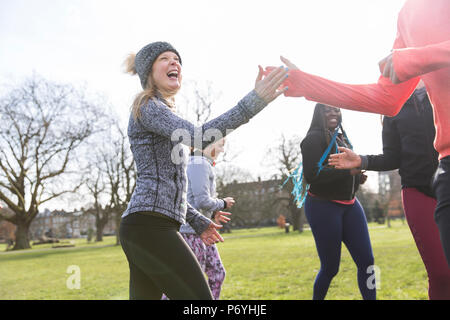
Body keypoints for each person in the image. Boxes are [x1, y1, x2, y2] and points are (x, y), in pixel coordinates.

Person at [270, 0, 450, 266]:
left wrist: (416, 58)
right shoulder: (409, 15)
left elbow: (407, 63)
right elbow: (388, 98)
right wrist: (306, 83)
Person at [119, 41, 288, 300]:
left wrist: (197, 221)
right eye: (165, 58)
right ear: (148, 72)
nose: (175, 62)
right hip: (149, 228)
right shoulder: (149, 106)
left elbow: (168, 187)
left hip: (143, 228)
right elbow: (200, 137)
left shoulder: (160, 112)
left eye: (177, 59)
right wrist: (255, 101)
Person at [328, 85, 450, 300]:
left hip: (446, 185)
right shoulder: (393, 106)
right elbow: (392, 157)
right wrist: (362, 160)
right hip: (418, 193)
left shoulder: (443, 83)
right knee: (441, 274)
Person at [297, 103, 375, 300]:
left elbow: (345, 168)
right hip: (323, 207)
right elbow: (312, 175)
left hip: (350, 206)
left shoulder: (341, 137)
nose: (333, 113)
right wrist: (348, 172)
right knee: (331, 268)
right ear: (318, 113)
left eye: (336, 110)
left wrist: (357, 177)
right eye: (327, 110)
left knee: (368, 262)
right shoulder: (312, 139)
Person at [178, 137, 233, 300]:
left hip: (202, 230)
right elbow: (202, 200)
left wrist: (214, 212)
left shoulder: (201, 164)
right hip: (191, 233)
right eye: (221, 145)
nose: (222, 150)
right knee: (191, 281)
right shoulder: (199, 163)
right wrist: (222, 203)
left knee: (217, 273)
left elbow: (196, 199)